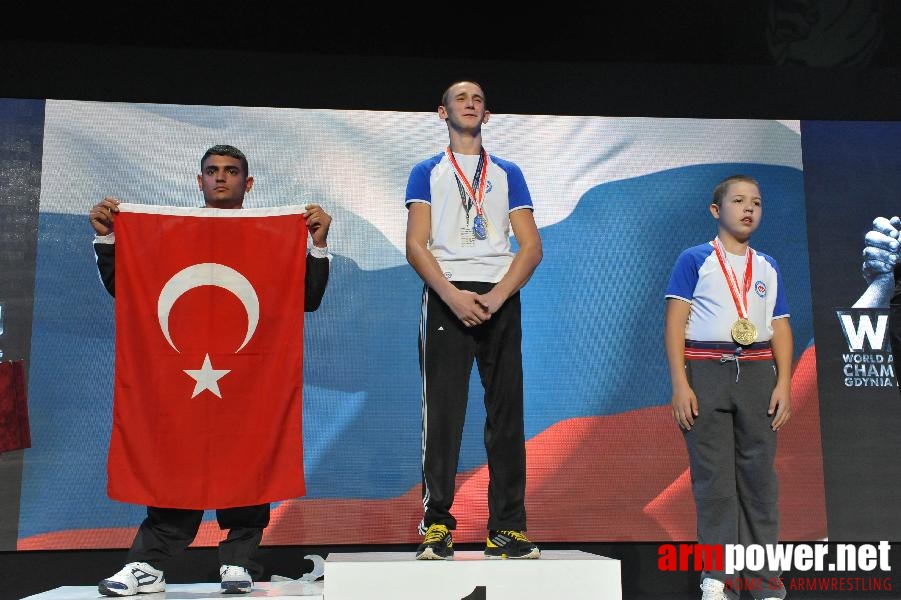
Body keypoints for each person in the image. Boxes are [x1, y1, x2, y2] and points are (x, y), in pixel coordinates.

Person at [88, 144, 332, 596]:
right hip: (180, 381)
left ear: (248, 182)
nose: (221, 178)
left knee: (250, 455)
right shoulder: (168, 235)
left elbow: (308, 299)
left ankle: (239, 562)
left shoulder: (272, 237)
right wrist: (108, 238)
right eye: (212, 171)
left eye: (232, 171)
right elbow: (127, 290)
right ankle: (147, 566)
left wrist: (316, 245)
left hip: (249, 381)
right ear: (198, 181)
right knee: (176, 464)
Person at [404, 81, 543, 560]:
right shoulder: (427, 171)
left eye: (478, 98)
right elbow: (416, 244)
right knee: (442, 413)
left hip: (499, 296)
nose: (470, 103)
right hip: (447, 294)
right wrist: (452, 296)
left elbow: (530, 247)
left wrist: (500, 295)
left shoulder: (508, 172)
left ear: (487, 113)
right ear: (441, 111)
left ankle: (507, 528)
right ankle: (437, 525)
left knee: (507, 414)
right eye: (460, 98)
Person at [664, 175, 792, 600]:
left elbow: (780, 327)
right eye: (738, 201)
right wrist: (681, 383)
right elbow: (675, 324)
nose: (748, 208)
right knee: (715, 481)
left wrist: (785, 384)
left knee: (760, 481)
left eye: (756, 201)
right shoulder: (694, 259)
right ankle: (718, 578)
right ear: (717, 211)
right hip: (706, 370)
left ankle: (765, 582)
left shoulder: (768, 266)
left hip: (757, 372)